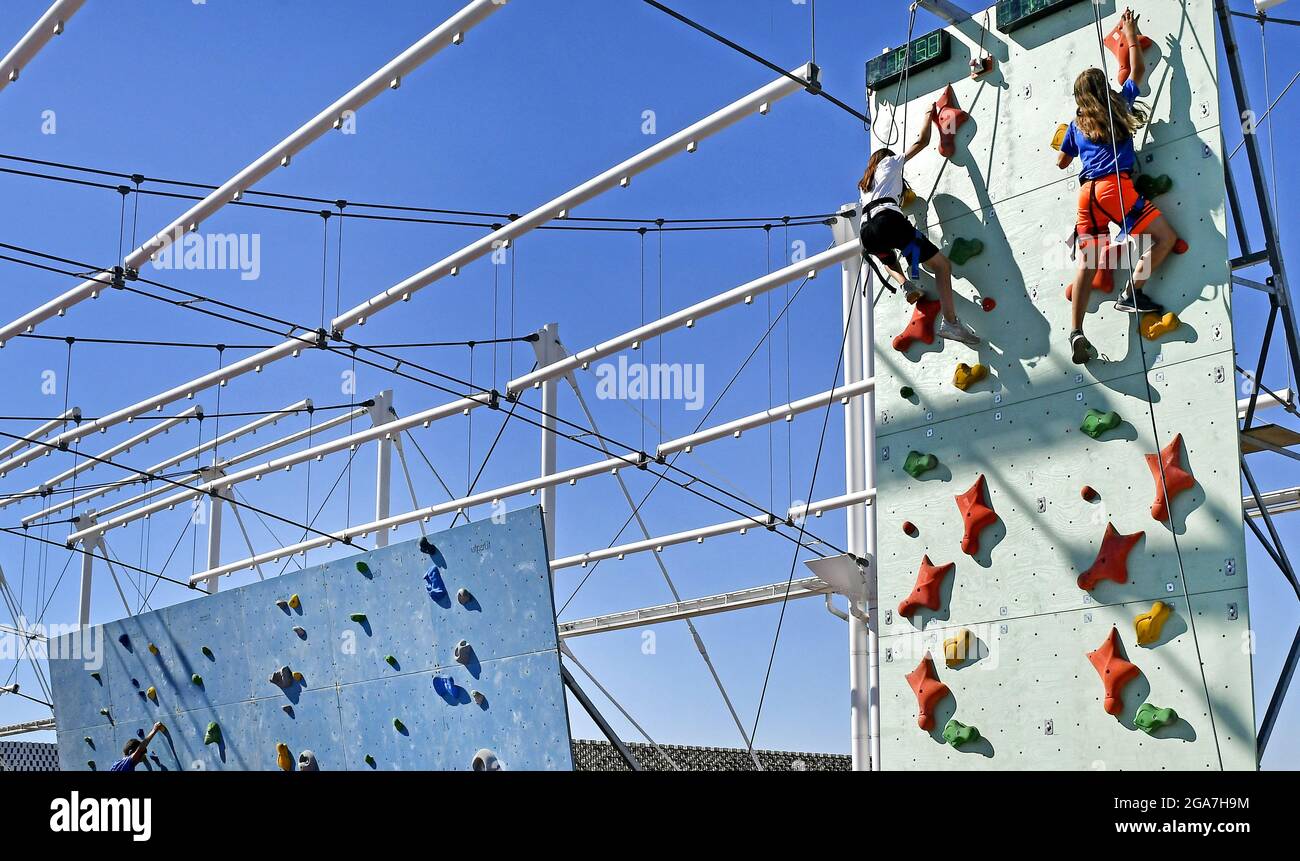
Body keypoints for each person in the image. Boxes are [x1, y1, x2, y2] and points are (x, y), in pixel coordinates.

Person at [1057, 8, 1181, 364]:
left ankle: (1076, 330)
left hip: (1087, 196)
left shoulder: (1074, 126)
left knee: (1088, 263)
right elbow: (1139, 70)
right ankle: (1132, 290)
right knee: (1165, 239)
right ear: (1102, 89)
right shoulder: (1116, 104)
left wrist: (1071, 144)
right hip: (1114, 189)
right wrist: (1130, 33)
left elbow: (1062, 161)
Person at [858, 107, 980, 346]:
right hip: (888, 221)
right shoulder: (889, 163)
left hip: (867, 234)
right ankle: (951, 323)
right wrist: (927, 115)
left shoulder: (863, 185)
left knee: (888, 260)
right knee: (942, 266)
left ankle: (905, 283)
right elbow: (922, 141)